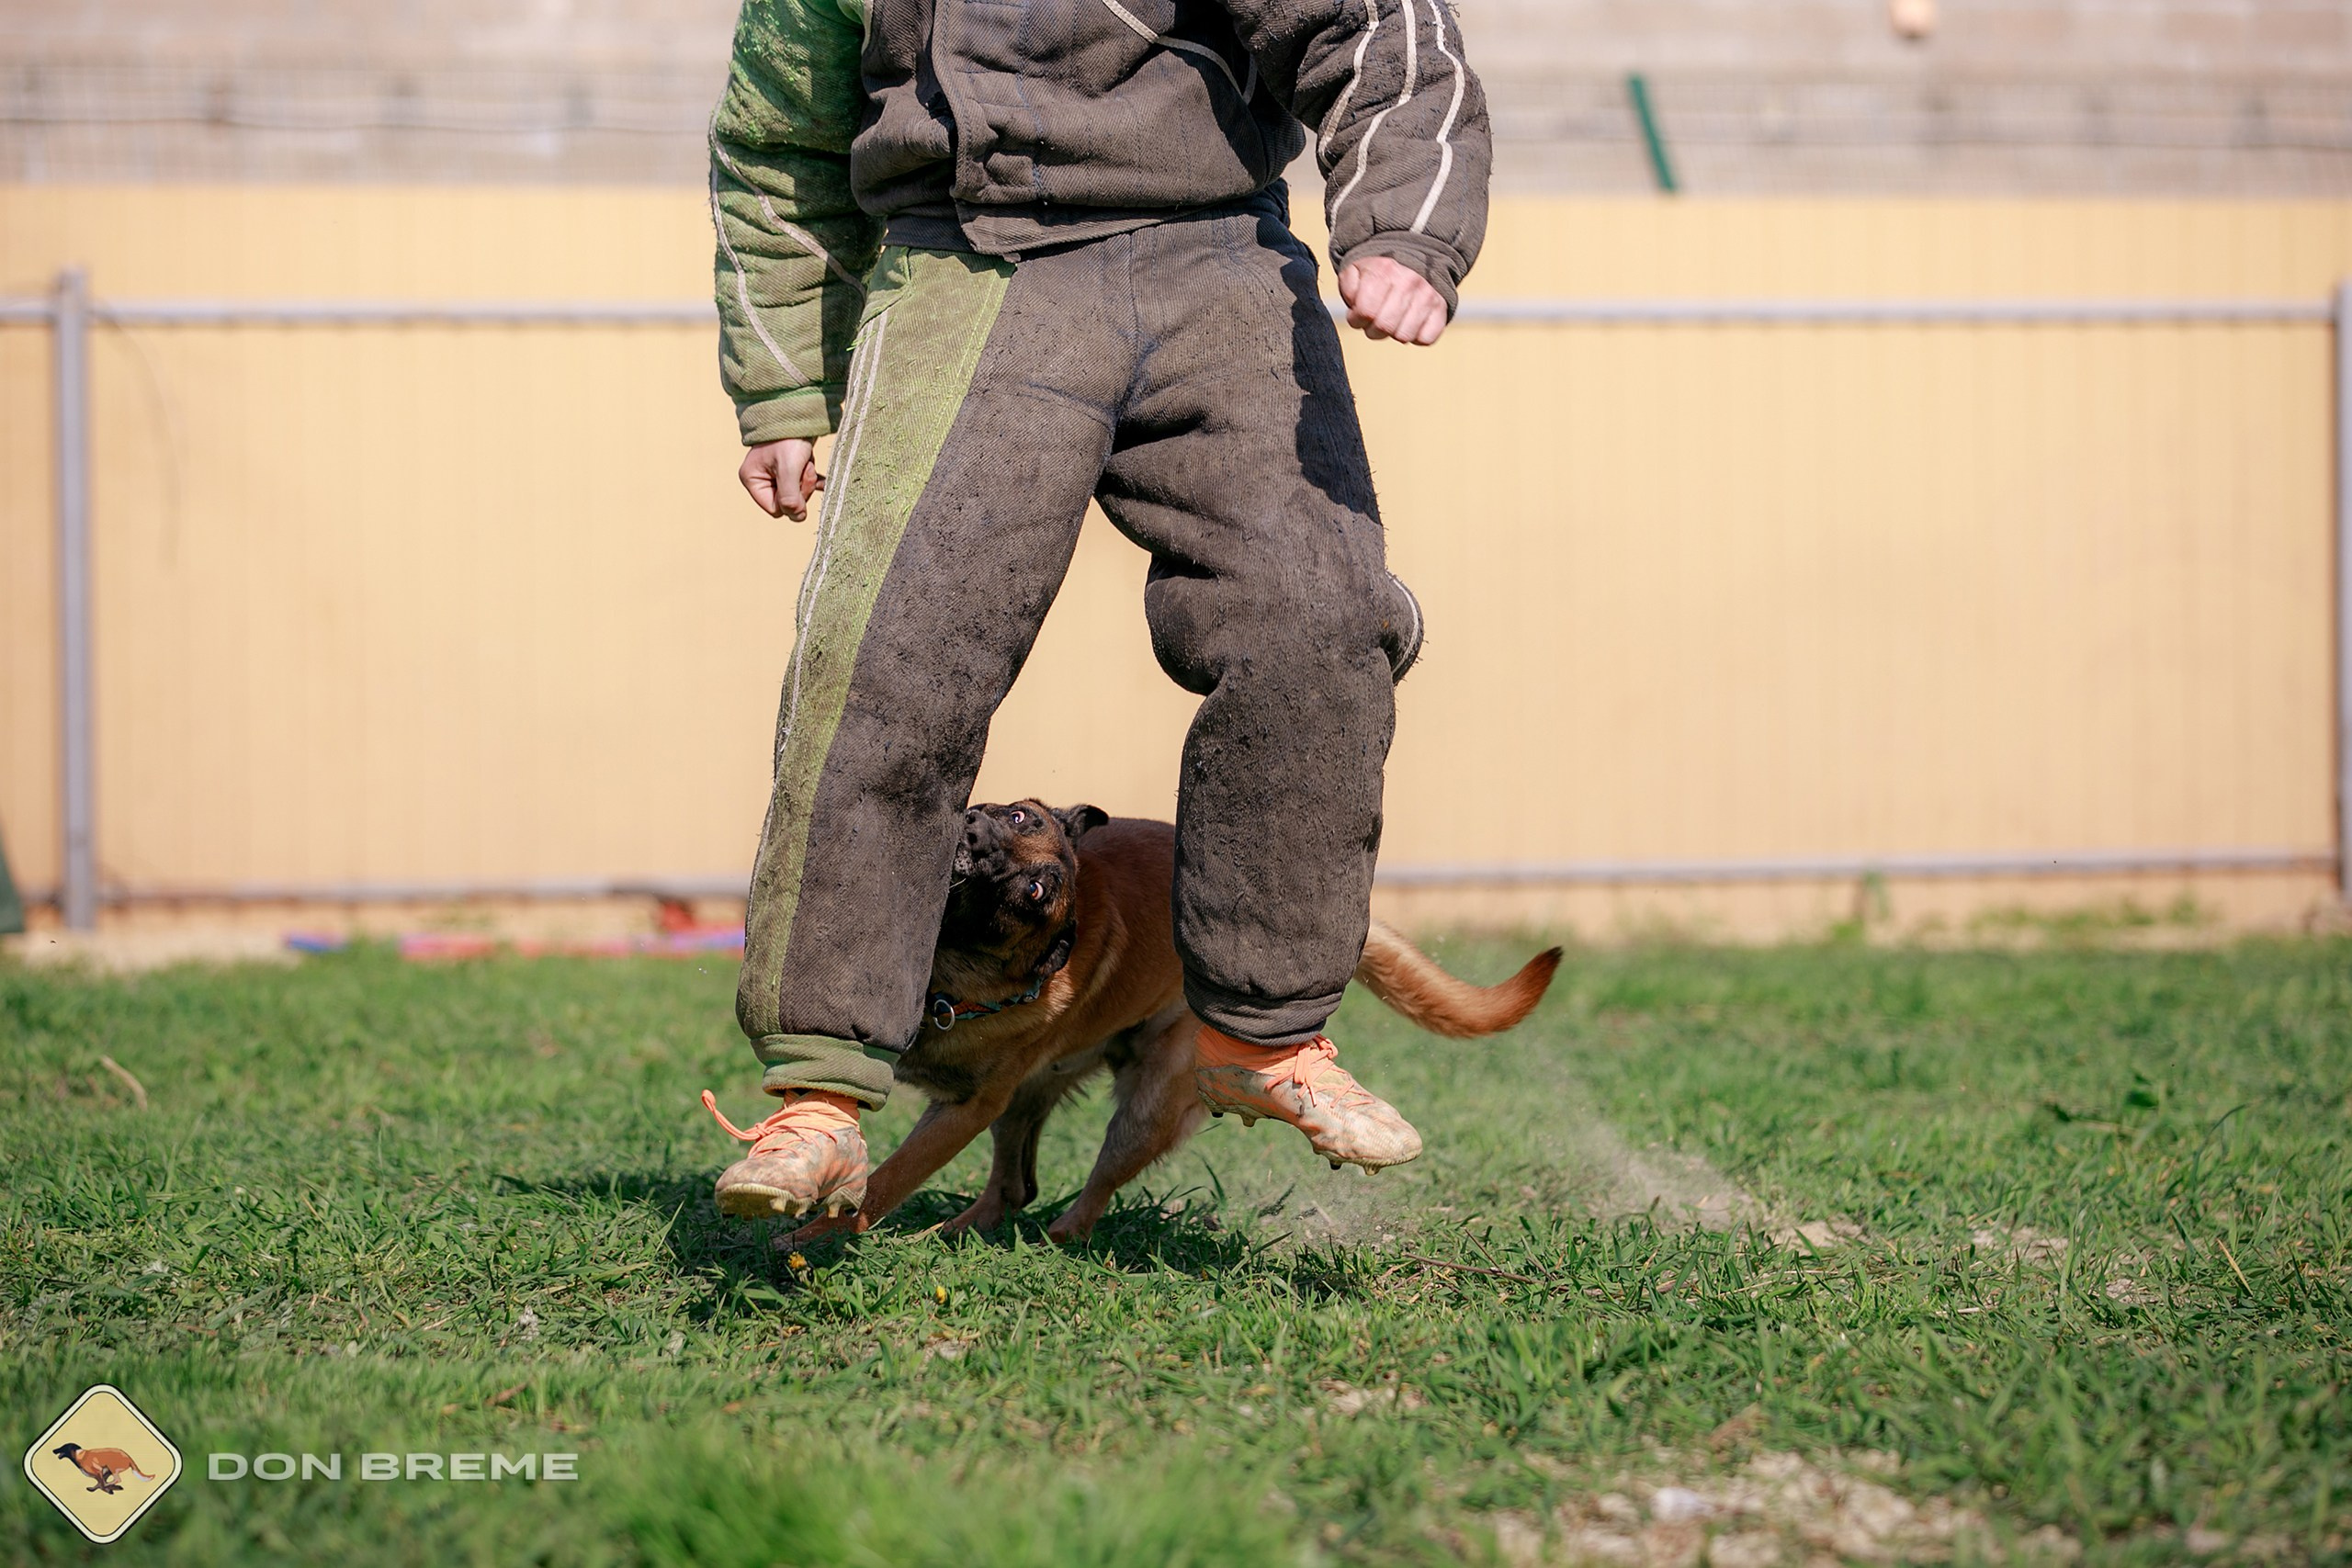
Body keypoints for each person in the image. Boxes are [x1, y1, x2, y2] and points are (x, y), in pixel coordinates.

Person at [702, 0, 1492, 1223]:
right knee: (882, 660)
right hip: (964, 260)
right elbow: (778, 146)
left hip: (1217, 255)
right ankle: (821, 1092)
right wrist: (785, 382)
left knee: (1318, 613)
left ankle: (1263, 1037)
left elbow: (1380, 39)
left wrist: (1404, 231)